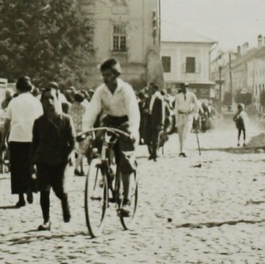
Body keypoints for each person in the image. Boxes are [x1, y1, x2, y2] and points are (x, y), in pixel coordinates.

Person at [82, 58, 140, 214]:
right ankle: (106, 172)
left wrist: (133, 132)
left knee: (125, 157)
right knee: (96, 146)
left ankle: (126, 200)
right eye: (103, 75)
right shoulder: (100, 91)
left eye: (108, 75)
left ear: (116, 75)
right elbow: (91, 112)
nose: (105, 78)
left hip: (125, 123)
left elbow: (134, 113)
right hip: (109, 122)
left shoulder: (126, 90)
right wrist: (86, 131)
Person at [31, 87, 75, 229]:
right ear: (42, 102)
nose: (49, 101)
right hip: (43, 159)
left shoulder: (66, 120)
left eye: (52, 98)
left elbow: (73, 141)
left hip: (60, 159)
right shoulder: (38, 122)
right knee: (44, 190)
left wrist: (71, 155)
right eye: (45, 99)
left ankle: (65, 202)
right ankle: (46, 220)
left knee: (59, 189)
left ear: (58, 100)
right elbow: (35, 143)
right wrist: (32, 162)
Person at [0, 75, 42, 208]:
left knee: (17, 168)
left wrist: (3, 140)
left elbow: (7, 123)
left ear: (18, 88)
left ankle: (21, 197)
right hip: (31, 138)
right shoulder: (36, 102)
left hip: (16, 137)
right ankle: (31, 188)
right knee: (31, 165)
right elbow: (41, 122)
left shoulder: (13, 101)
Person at [173, 83, 199, 157]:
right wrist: (176, 118)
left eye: (186, 87)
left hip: (188, 116)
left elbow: (197, 105)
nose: (184, 88)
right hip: (180, 116)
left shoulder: (192, 95)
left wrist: (195, 115)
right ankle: (181, 150)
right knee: (180, 135)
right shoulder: (177, 96)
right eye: (183, 87)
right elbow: (176, 107)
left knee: (186, 134)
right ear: (181, 87)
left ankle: (184, 150)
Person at [145, 84, 167, 161]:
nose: (149, 90)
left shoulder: (159, 99)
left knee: (155, 139)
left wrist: (161, 123)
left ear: (155, 89)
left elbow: (161, 112)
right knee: (148, 138)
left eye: (151, 89)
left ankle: (155, 154)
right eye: (149, 89)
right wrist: (146, 110)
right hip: (149, 119)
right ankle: (152, 153)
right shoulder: (149, 98)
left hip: (156, 121)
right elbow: (147, 107)